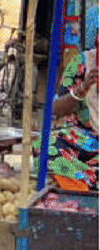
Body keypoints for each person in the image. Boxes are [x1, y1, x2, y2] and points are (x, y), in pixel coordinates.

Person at [34, 36, 97, 191]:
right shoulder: (84, 62)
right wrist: (83, 88)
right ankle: (85, 184)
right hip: (87, 141)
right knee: (45, 145)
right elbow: (55, 109)